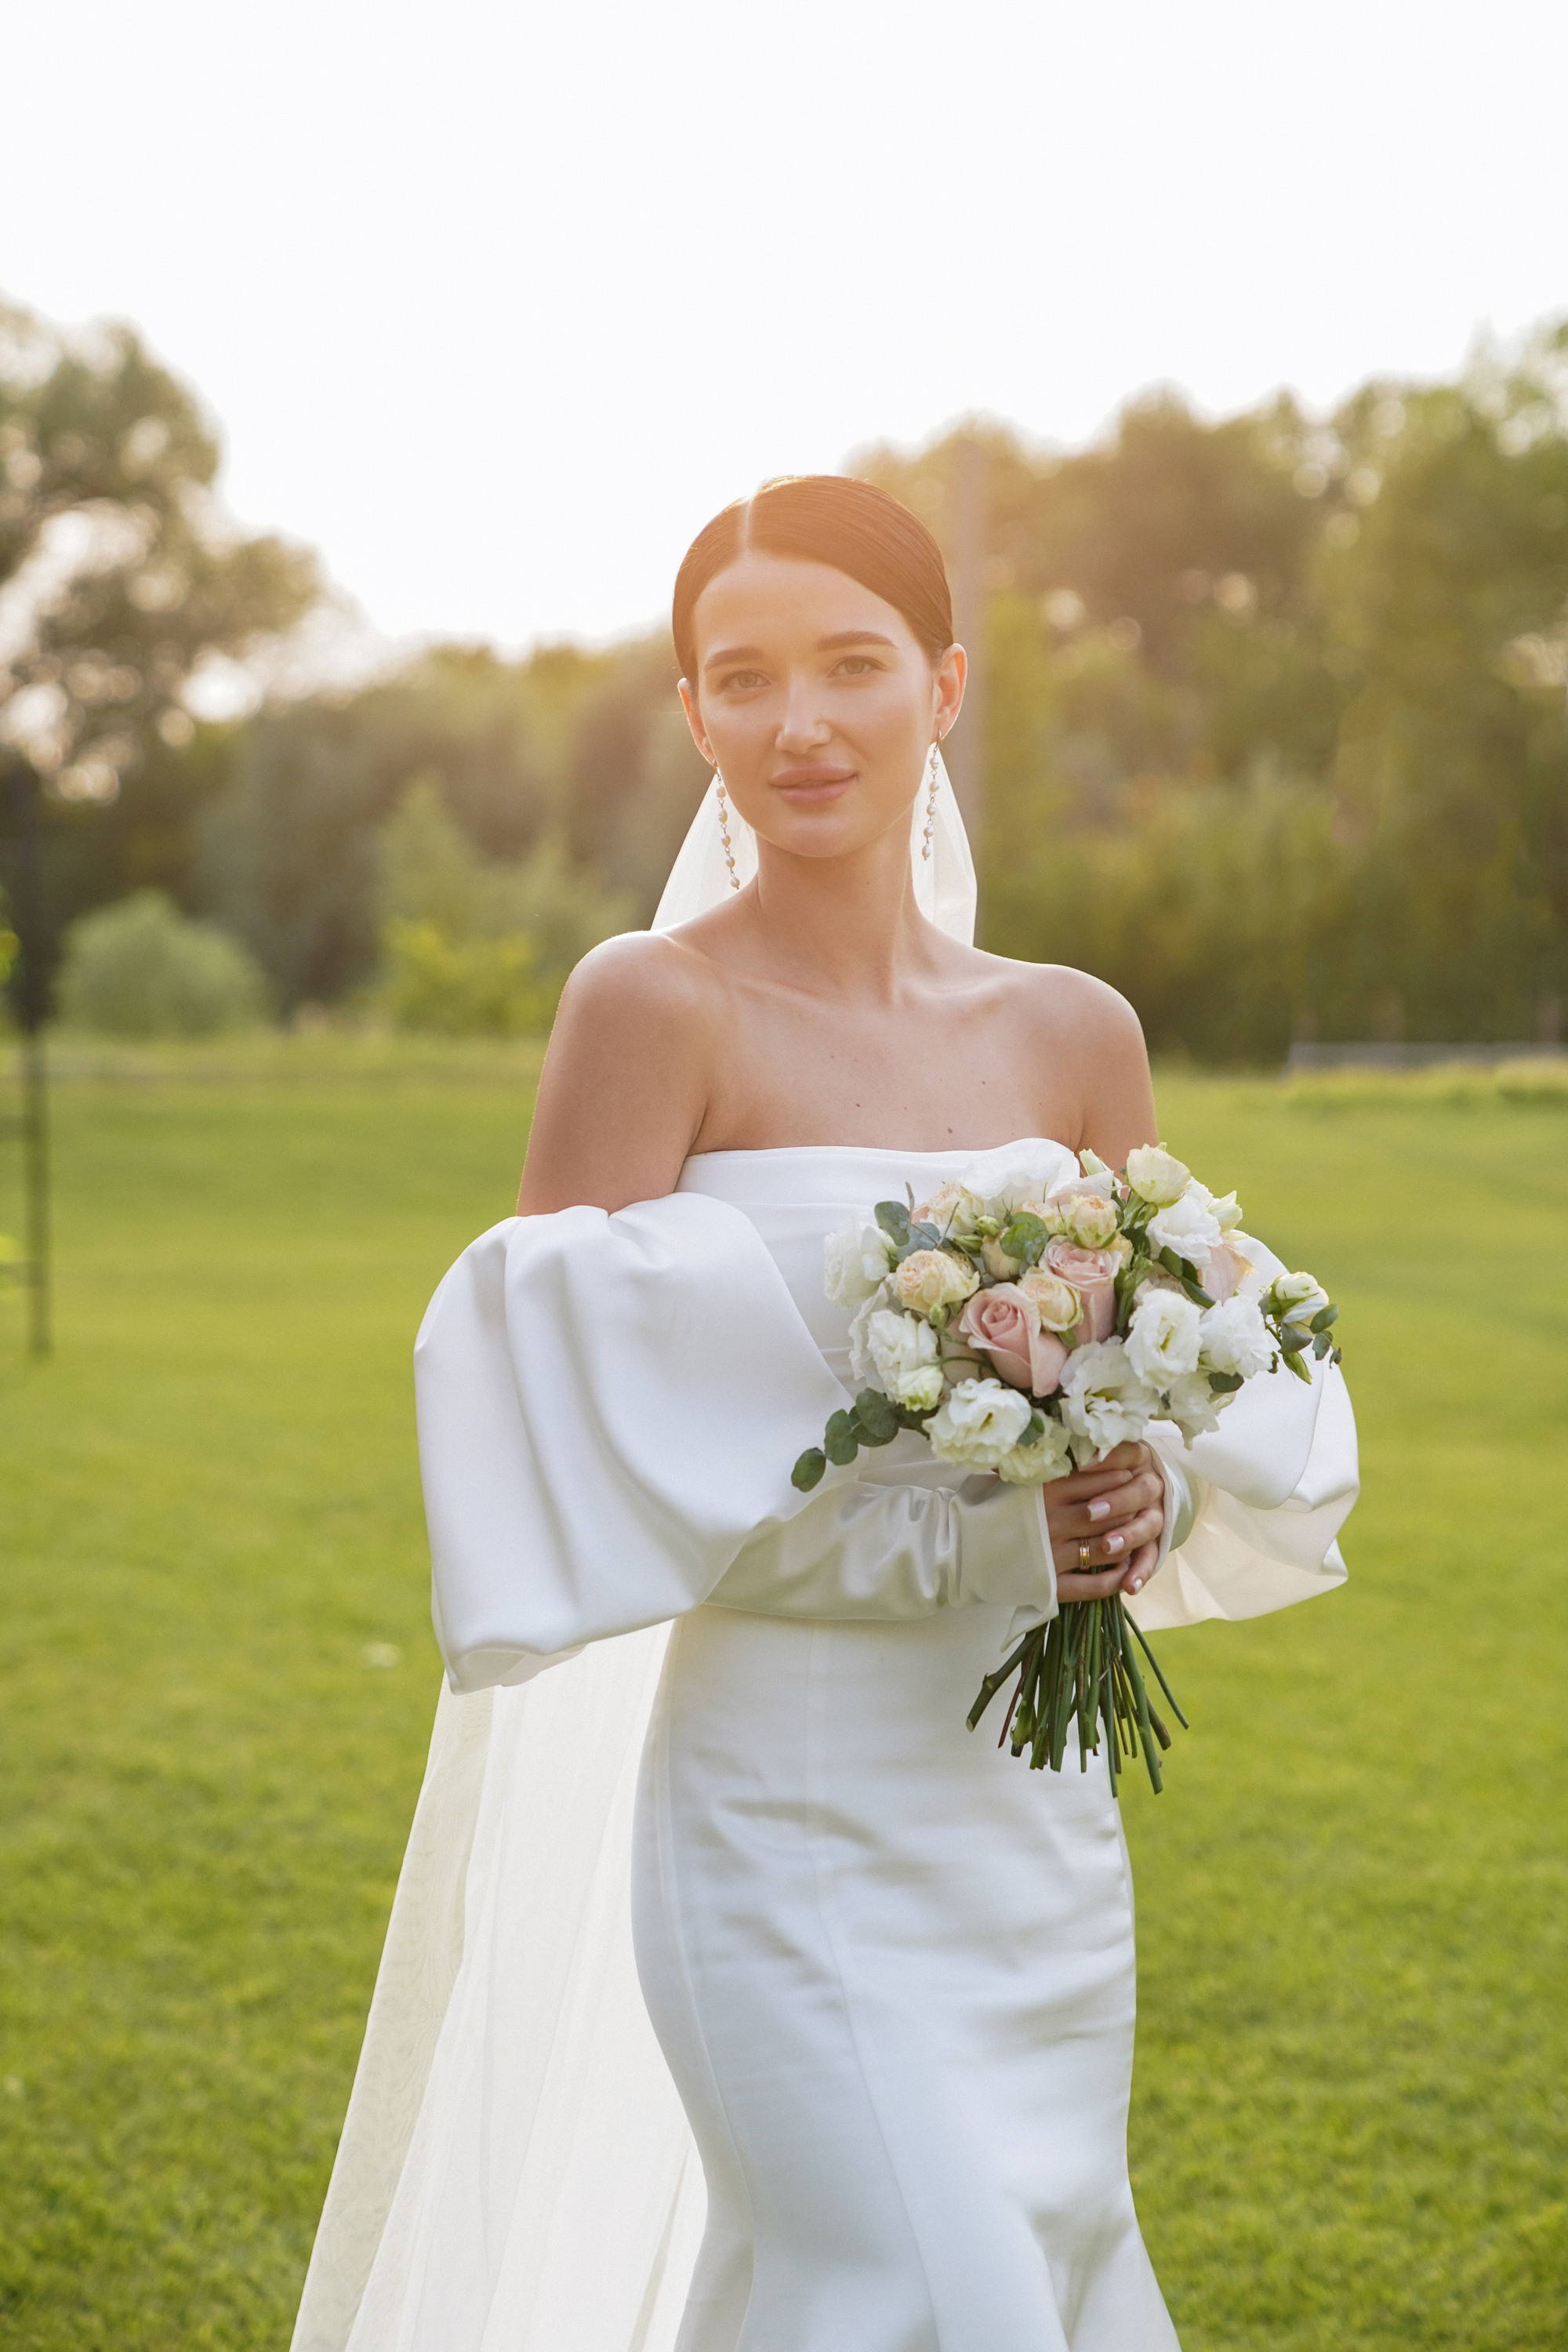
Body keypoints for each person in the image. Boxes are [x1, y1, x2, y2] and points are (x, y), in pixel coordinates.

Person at [291, 477, 1358, 2352]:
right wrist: (972, 1543)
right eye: (745, 677)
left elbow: (1167, 1359)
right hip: (782, 1813)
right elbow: (586, 1462)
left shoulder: (1074, 1031)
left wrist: (1149, 1498)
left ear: (943, 686)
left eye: (852, 665)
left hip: (1030, 1819)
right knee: (887, 2280)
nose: (802, 723)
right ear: (692, 714)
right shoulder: (651, 1008)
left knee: (1028, 2259)